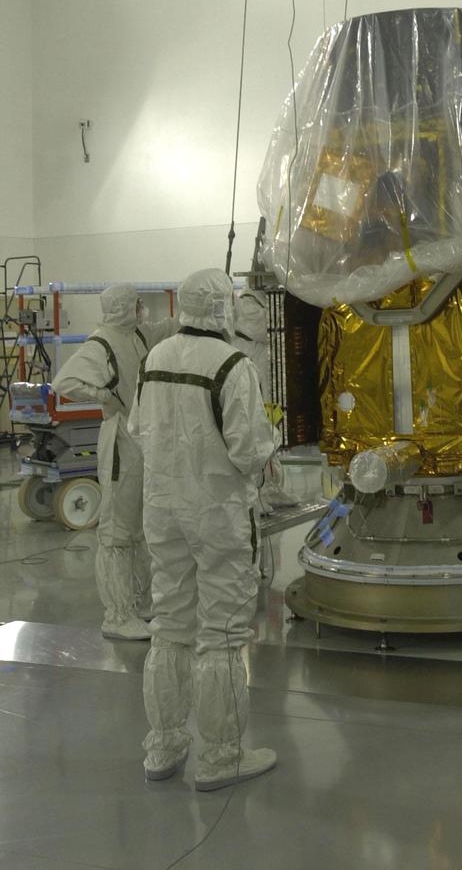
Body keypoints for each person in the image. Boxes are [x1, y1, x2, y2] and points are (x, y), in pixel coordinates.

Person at [128, 268, 277, 790]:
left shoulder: (155, 358)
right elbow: (250, 451)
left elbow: (139, 430)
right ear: (224, 309)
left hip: (162, 510)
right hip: (217, 516)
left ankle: (164, 745)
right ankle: (221, 755)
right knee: (221, 633)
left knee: (169, 625)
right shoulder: (233, 365)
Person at [52, 284, 176, 641]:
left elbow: (166, 329)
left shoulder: (135, 333)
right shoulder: (102, 342)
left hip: (141, 439)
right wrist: (105, 394)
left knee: (139, 526)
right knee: (117, 531)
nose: (142, 309)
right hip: (120, 440)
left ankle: (138, 602)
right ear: (123, 306)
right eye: (137, 304)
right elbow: (65, 382)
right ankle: (117, 614)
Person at [231, 286, 296, 510]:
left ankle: (273, 487)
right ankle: (260, 492)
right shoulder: (249, 304)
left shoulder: (265, 302)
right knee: (258, 435)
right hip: (255, 384)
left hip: (267, 384)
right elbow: (270, 328)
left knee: (270, 434)